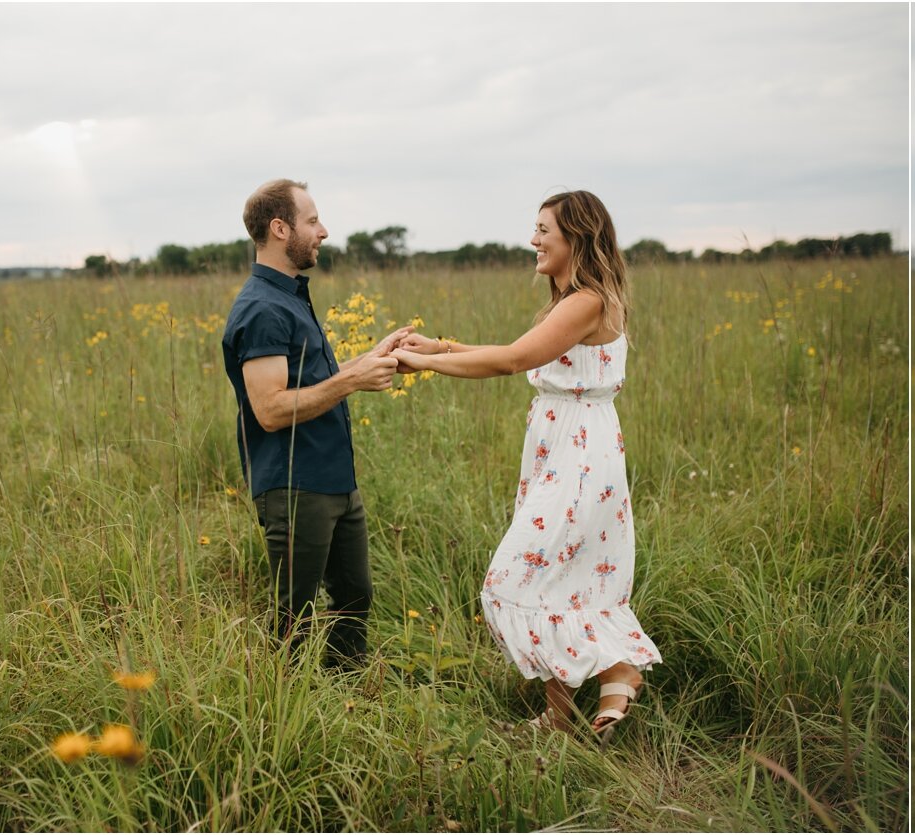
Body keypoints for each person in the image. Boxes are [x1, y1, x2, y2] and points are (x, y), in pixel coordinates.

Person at [391, 190, 660, 735]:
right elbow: (520, 347)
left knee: (514, 579)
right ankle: (569, 713)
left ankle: (621, 669)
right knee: (566, 581)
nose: (533, 241)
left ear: (575, 238)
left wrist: (419, 362)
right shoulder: (572, 303)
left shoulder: (586, 300)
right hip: (571, 447)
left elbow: (514, 360)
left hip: (579, 455)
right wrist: (440, 348)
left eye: (544, 231)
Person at [221, 178, 412, 670]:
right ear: (281, 229)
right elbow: (269, 409)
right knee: (294, 620)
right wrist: (352, 383)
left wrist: (367, 361)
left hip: (334, 482)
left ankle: (347, 703)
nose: (323, 231)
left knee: (354, 600)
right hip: (294, 485)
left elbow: (309, 380)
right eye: (312, 221)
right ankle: (284, 716)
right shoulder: (262, 307)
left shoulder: (289, 296)